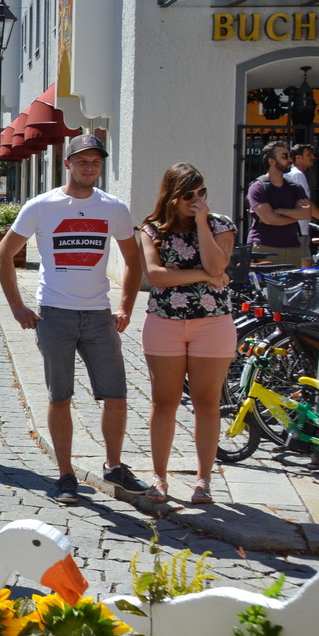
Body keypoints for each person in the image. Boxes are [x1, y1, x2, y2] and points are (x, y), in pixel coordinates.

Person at [0, 134, 149, 504]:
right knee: (59, 396)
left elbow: (133, 260)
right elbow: (3, 255)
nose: (89, 168)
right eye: (82, 161)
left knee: (116, 395)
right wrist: (17, 307)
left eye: (95, 162)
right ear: (67, 164)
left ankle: (114, 466)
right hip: (55, 315)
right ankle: (65, 476)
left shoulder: (113, 208)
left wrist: (126, 306)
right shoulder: (42, 205)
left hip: (98, 316)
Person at [138, 164, 236, 504]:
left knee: (207, 403)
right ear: (172, 195)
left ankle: (203, 480)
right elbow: (156, 276)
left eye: (201, 192)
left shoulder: (220, 224)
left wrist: (201, 224)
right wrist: (203, 276)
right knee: (164, 402)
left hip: (213, 324)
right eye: (188, 194)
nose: (197, 199)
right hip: (164, 323)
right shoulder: (152, 229)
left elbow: (217, 266)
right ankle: (159, 478)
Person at [245, 142, 314, 268]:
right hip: (265, 248)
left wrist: (279, 211)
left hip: (293, 248)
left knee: (293, 282)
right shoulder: (258, 187)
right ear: (272, 161)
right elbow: (269, 219)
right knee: (266, 282)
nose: (290, 160)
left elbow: (307, 213)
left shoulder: (295, 187)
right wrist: (295, 215)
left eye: (289, 156)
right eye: (284, 156)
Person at [285, 143, 319, 268]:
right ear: (298, 158)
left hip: (294, 228)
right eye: (309, 155)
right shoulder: (297, 174)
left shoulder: (291, 173)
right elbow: (305, 203)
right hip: (298, 229)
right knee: (305, 265)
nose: (313, 157)